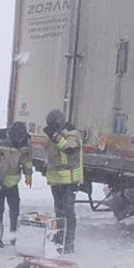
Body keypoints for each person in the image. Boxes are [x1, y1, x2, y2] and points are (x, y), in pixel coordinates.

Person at [42, 109, 84, 254]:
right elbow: (52, 154)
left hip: (70, 180)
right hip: (56, 180)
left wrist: (54, 136)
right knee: (59, 211)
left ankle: (69, 241)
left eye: (54, 125)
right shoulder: (54, 137)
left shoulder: (73, 133)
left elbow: (68, 149)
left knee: (68, 211)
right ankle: (59, 238)